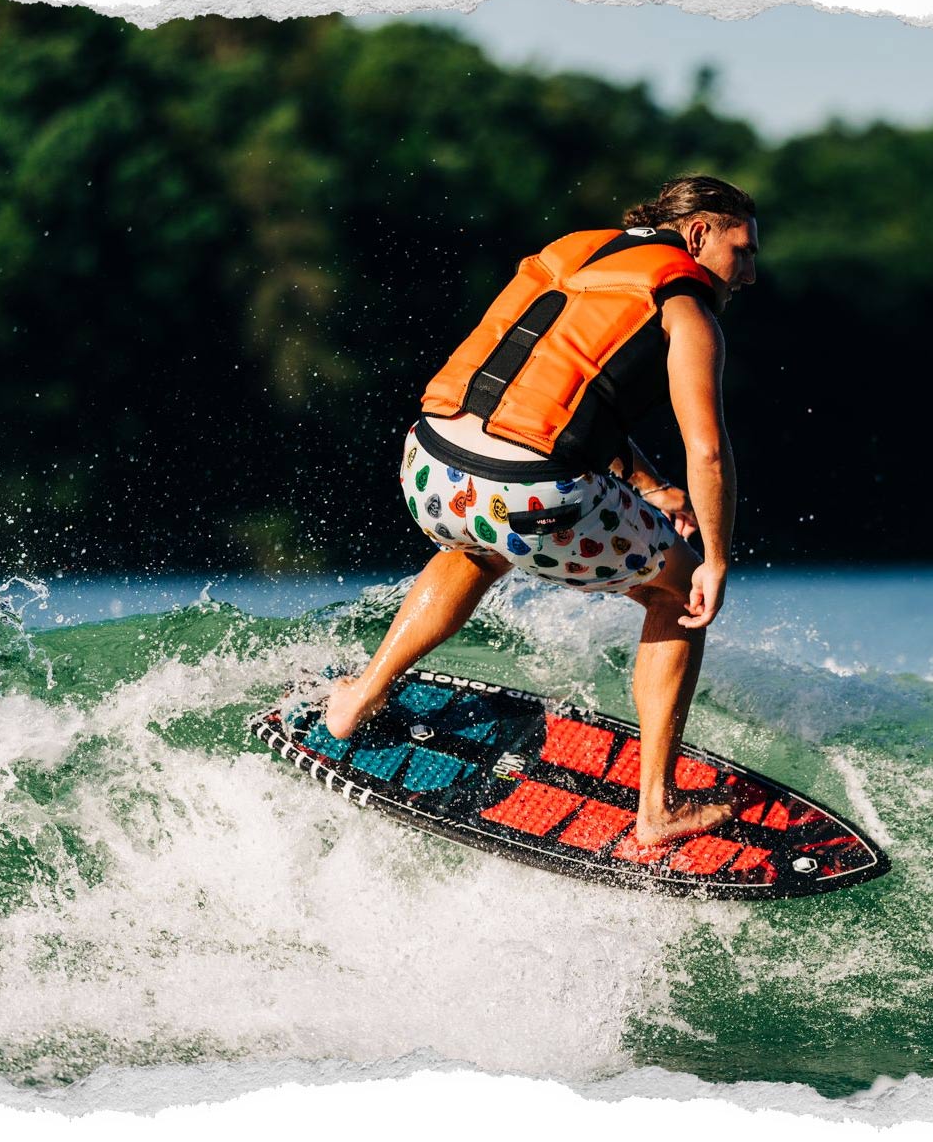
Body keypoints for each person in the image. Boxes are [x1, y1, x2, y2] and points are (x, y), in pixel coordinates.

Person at [324, 175, 758, 847]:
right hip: (527, 493)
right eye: (742, 250)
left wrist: (650, 487)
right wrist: (718, 562)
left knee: (478, 544)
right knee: (680, 593)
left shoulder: (570, 252)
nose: (749, 273)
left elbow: (549, 400)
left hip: (427, 466)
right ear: (699, 234)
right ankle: (656, 808)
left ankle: (362, 693)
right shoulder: (685, 305)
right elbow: (707, 452)